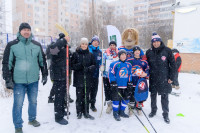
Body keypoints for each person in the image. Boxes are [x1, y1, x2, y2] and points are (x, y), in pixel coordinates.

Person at [2, 22, 48, 133]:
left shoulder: (36, 45)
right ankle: (18, 126)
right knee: (18, 104)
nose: (26, 32)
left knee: (33, 101)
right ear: (20, 31)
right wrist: (7, 79)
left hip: (33, 80)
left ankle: (32, 119)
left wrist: (45, 73)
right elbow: (6, 63)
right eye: (24, 30)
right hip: (18, 81)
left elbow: (42, 60)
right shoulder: (12, 45)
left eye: (28, 30)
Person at [146, 32, 175, 124]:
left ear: (160, 41)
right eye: (154, 42)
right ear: (152, 43)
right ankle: (153, 110)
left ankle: (165, 113)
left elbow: (173, 65)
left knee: (164, 96)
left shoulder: (167, 50)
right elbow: (146, 65)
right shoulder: (149, 52)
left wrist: (171, 77)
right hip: (153, 78)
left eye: (157, 41)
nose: (156, 43)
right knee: (153, 95)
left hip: (164, 78)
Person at [71, 38, 96, 120]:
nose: (84, 45)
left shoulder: (90, 54)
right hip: (79, 79)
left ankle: (86, 112)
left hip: (87, 79)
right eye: (82, 44)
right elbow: (72, 66)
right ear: (80, 44)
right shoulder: (76, 54)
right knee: (79, 97)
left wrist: (89, 68)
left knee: (86, 97)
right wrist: (80, 65)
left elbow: (94, 65)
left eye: (85, 44)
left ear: (87, 45)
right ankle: (79, 112)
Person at [49, 33, 70, 125]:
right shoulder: (55, 46)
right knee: (58, 96)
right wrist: (63, 40)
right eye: (63, 39)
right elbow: (53, 51)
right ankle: (58, 116)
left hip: (64, 74)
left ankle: (62, 110)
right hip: (58, 75)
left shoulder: (65, 47)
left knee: (63, 94)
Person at [109, 49, 132, 121]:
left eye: (125, 55)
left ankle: (122, 111)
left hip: (125, 85)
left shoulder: (129, 65)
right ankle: (115, 112)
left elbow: (129, 74)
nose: (123, 56)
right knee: (116, 99)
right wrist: (113, 82)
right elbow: (111, 73)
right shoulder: (114, 64)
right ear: (119, 56)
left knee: (126, 99)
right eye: (122, 55)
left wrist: (130, 82)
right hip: (117, 85)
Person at [127, 46, 149, 116]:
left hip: (140, 82)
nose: (137, 52)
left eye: (138, 50)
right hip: (132, 81)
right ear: (133, 52)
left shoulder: (144, 61)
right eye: (135, 51)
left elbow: (148, 69)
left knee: (140, 95)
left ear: (140, 52)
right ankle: (131, 108)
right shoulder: (129, 60)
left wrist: (145, 74)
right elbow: (125, 67)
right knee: (132, 95)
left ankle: (139, 108)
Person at [101, 41, 118, 114]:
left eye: (114, 45)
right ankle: (109, 105)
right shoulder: (105, 53)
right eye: (111, 45)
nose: (112, 46)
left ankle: (115, 104)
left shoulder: (118, 53)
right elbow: (102, 62)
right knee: (107, 90)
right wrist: (101, 67)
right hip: (106, 75)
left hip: (115, 76)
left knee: (114, 90)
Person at [88, 35, 102, 112]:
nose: (96, 43)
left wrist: (101, 66)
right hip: (88, 74)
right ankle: (86, 104)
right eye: (94, 41)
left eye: (97, 42)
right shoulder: (88, 49)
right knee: (87, 90)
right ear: (92, 42)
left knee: (94, 90)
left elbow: (100, 62)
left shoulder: (100, 52)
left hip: (96, 75)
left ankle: (92, 104)